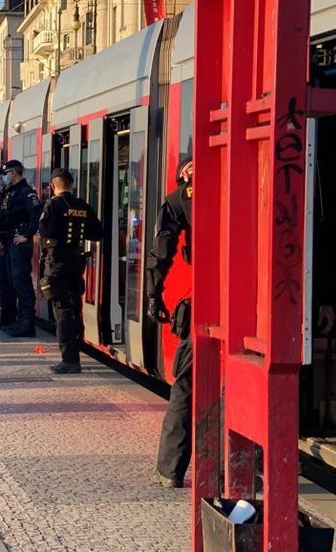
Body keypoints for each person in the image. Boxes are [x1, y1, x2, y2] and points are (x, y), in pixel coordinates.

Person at [147, 157, 194, 488]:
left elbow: (161, 249)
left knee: (187, 385)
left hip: (209, 306)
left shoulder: (182, 196)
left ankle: (170, 469)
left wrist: (153, 293)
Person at [38, 169, 102, 374]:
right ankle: (77, 350)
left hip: (57, 266)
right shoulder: (83, 206)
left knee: (62, 311)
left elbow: (44, 232)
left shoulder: (53, 205)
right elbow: (97, 232)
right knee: (75, 309)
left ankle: (70, 360)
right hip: (77, 265)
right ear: (72, 184)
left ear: (53, 186)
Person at [0, 160, 42, 338]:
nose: (5, 177)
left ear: (14, 173)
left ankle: (26, 323)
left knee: (21, 282)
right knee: (10, 282)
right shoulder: (9, 192)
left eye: (6, 173)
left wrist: (28, 234)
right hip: (8, 242)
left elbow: (36, 213)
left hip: (19, 243)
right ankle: (13, 319)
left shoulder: (26, 192)